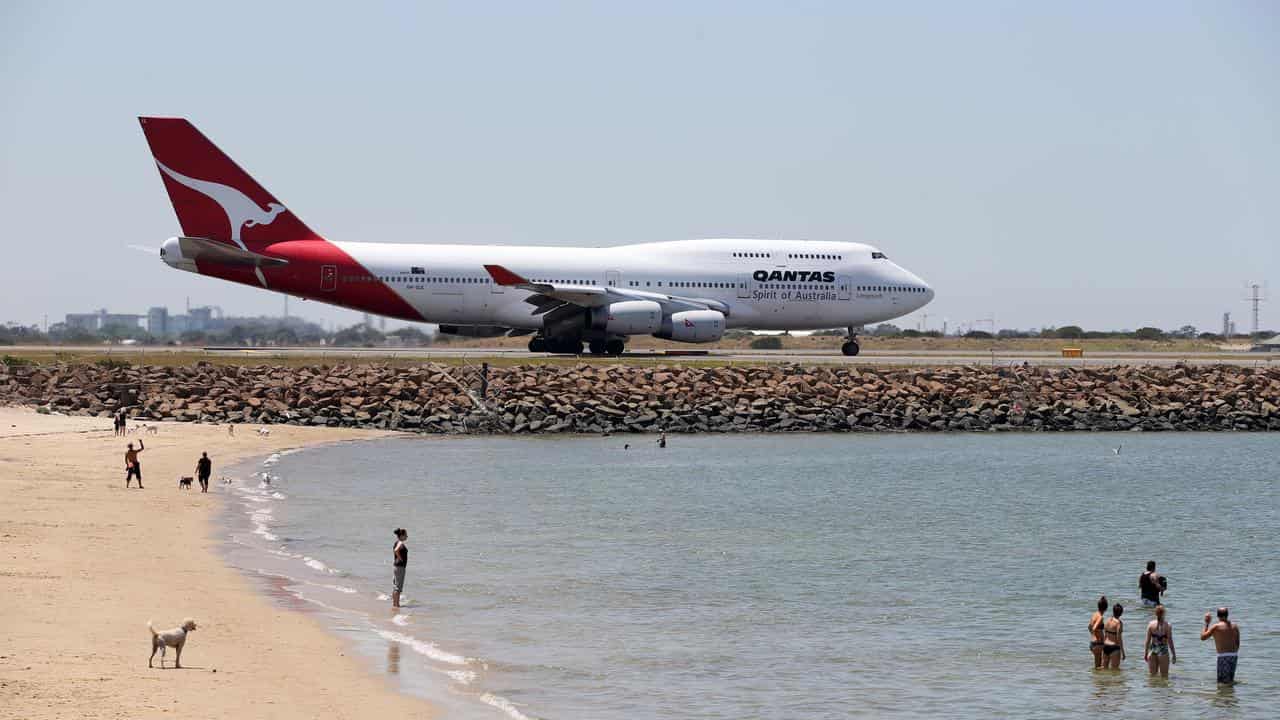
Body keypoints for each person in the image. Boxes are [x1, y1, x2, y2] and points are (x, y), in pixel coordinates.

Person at [1200, 607, 1240, 684]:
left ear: (1218, 616)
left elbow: (1203, 637)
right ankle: (1230, 695)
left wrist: (1207, 623)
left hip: (1223, 656)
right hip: (1234, 656)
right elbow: (1238, 643)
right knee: (1230, 681)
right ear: (1227, 615)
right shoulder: (1235, 626)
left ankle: (1224, 695)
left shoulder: (1216, 626)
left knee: (1222, 682)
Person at [1144, 604, 1176, 677]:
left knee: (1152, 677)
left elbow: (1147, 641)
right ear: (1164, 613)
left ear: (1155, 613)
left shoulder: (1151, 624)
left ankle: (1154, 688)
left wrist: (1145, 653)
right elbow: (1170, 642)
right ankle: (1161, 689)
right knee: (1164, 677)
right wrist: (1173, 654)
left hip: (1152, 651)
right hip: (1163, 651)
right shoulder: (1167, 625)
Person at [1102, 603, 1125, 669]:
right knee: (1115, 671)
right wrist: (1123, 652)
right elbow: (1119, 638)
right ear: (1121, 613)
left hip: (1105, 646)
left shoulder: (1107, 620)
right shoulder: (1119, 623)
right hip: (1114, 647)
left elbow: (1105, 634)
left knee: (1104, 669)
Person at [1088, 595, 1108, 669]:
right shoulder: (1100, 617)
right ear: (1106, 608)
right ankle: (1098, 680)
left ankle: (1096, 680)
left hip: (1093, 644)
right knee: (1099, 667)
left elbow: (1089, 627)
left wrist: (1093, 636)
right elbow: (1093, 628)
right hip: (1098, 644)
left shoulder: (1094, 614)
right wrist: (1095, 637)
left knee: (1097, 667)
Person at [391, 528, 409, 609]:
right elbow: (396, 550)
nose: (407, 536)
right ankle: (396, 605)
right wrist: (400, 559)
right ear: (401, 536)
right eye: (406, 535)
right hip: (400, 567)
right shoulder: (400, 543)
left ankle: (395, 604)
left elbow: (395, 550)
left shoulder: (397, 542)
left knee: (396, 586)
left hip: (397, 566)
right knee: (398, 587)